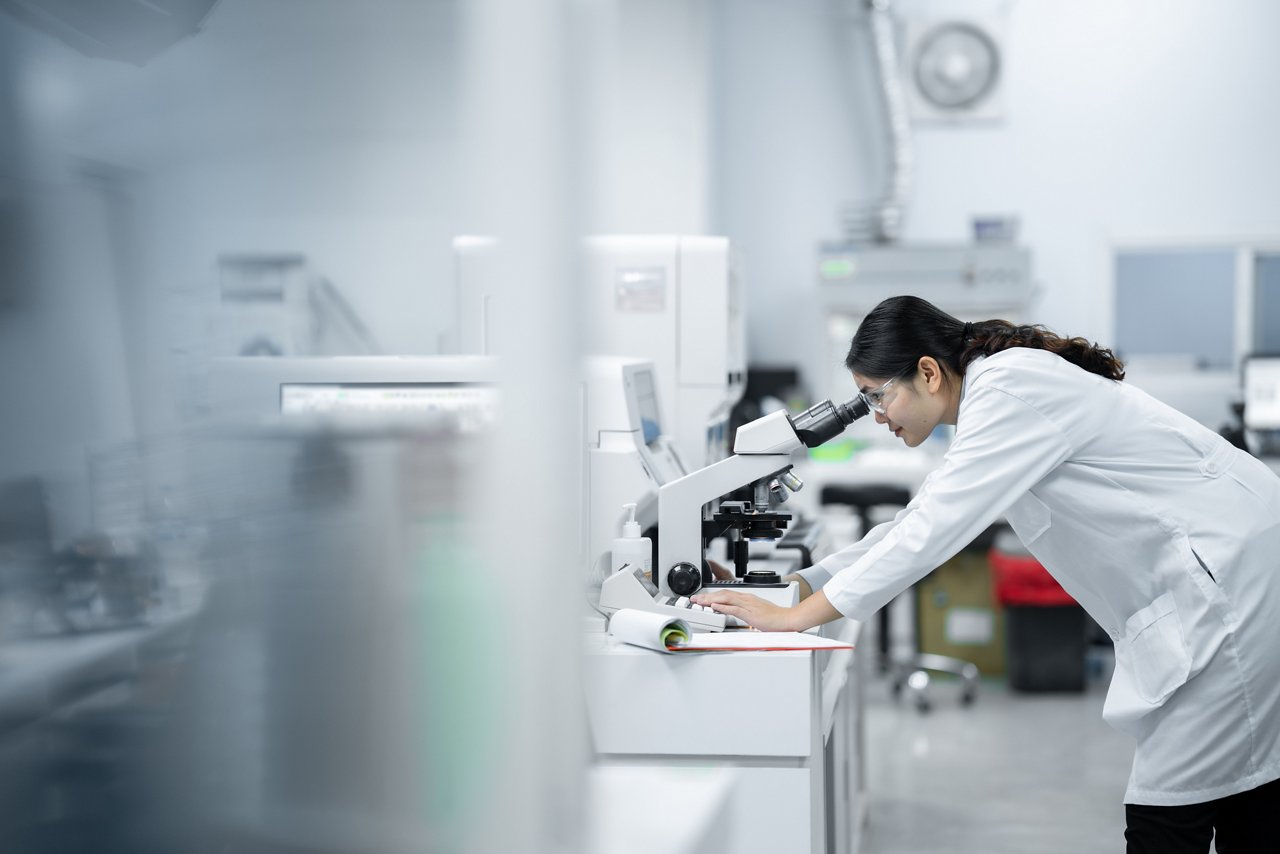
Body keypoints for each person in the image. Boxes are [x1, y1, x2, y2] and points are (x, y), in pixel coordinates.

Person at [692, 295, 1280, 852]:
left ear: (928, 373)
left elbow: (932, 531)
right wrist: (806, 582)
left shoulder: (1009, 387)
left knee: (1169, 812)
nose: (875, 418)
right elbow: (920, 516)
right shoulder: (995, 394)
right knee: (1241, 796)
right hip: (1225, 575)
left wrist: (797, 617)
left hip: (1228, 586)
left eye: (876, 397)